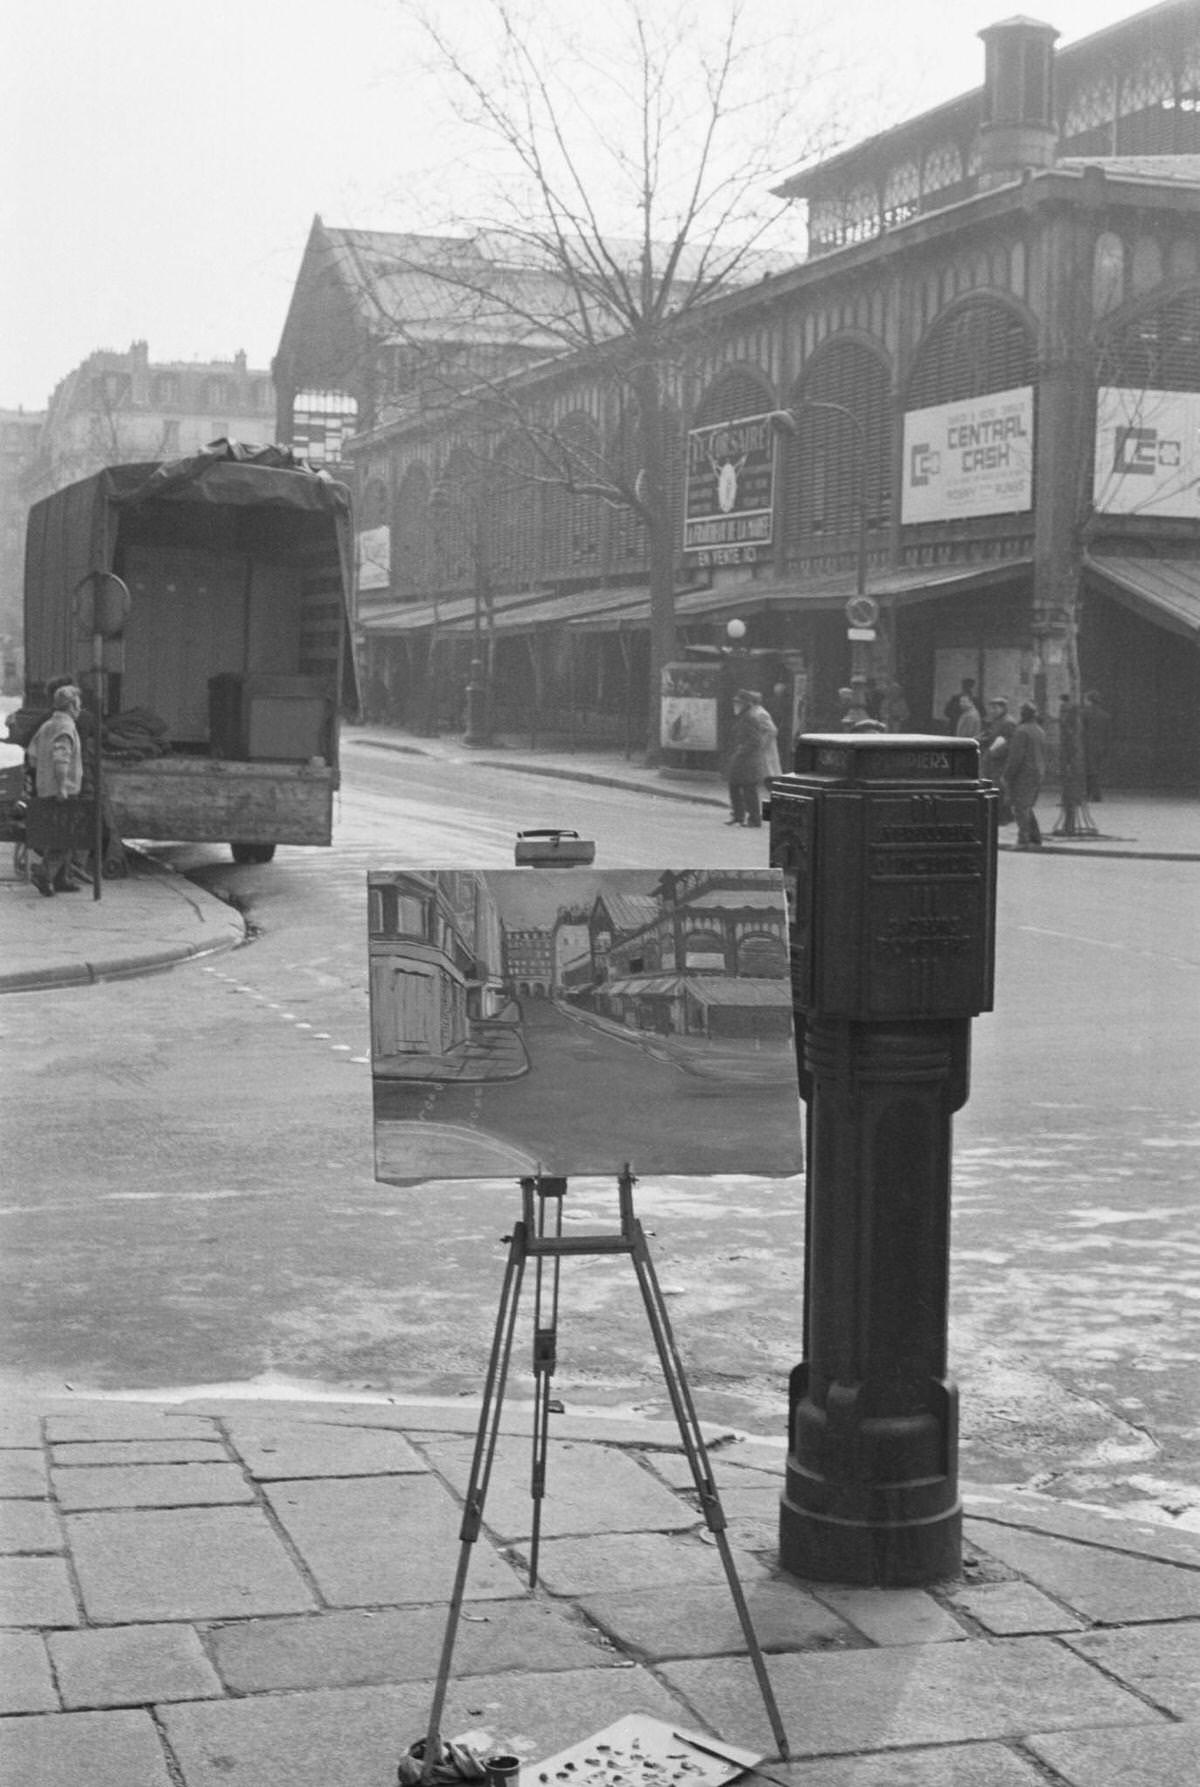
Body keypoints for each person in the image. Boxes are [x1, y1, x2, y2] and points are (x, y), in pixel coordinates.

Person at [26, 684, 85, 895]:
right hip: (63, 791)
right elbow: (61, 758)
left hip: (45, 788)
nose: (80, 709)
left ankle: (61, 879)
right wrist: (61, 786)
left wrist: (43, 777)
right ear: (71, 706)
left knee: (58, 833)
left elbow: (32, 756)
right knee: (65, 836)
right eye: (78, 705)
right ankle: (44, 874)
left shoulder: (47, 725)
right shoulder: (65, 727)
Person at [725, 688, 776, 828]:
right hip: (741, 758)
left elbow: (755, 740)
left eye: (739, 703)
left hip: (748, 760)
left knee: (748, 789)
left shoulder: (750, 718)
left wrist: (741, 750)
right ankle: (738, 815)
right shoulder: (742, 716)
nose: (735, 705)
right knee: (734, 786)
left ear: (746, 704)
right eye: (735, 702)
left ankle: (754, 818)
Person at [1003, 701, 1047, 850]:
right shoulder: (1039, 730)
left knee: (1020, 807)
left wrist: (1007, 775)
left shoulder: (1021, 731)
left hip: (1024, 773)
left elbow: (1016, 757)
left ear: (1023, 714)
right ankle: (1035, 838)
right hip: (1038, 772)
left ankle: (1023, 840)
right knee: (1027, 806)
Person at [1081, 690, 1112, 802]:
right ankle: (1092, 794)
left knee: (1089, 771)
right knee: (1095, 770)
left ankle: (1094, 794)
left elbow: (1080, 730)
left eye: (1085, 699)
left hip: (1087, 745)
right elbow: (1108, 734)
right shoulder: (1106, 716)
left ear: (1089, 700)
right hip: (1100, 746)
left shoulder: (1083, 713)